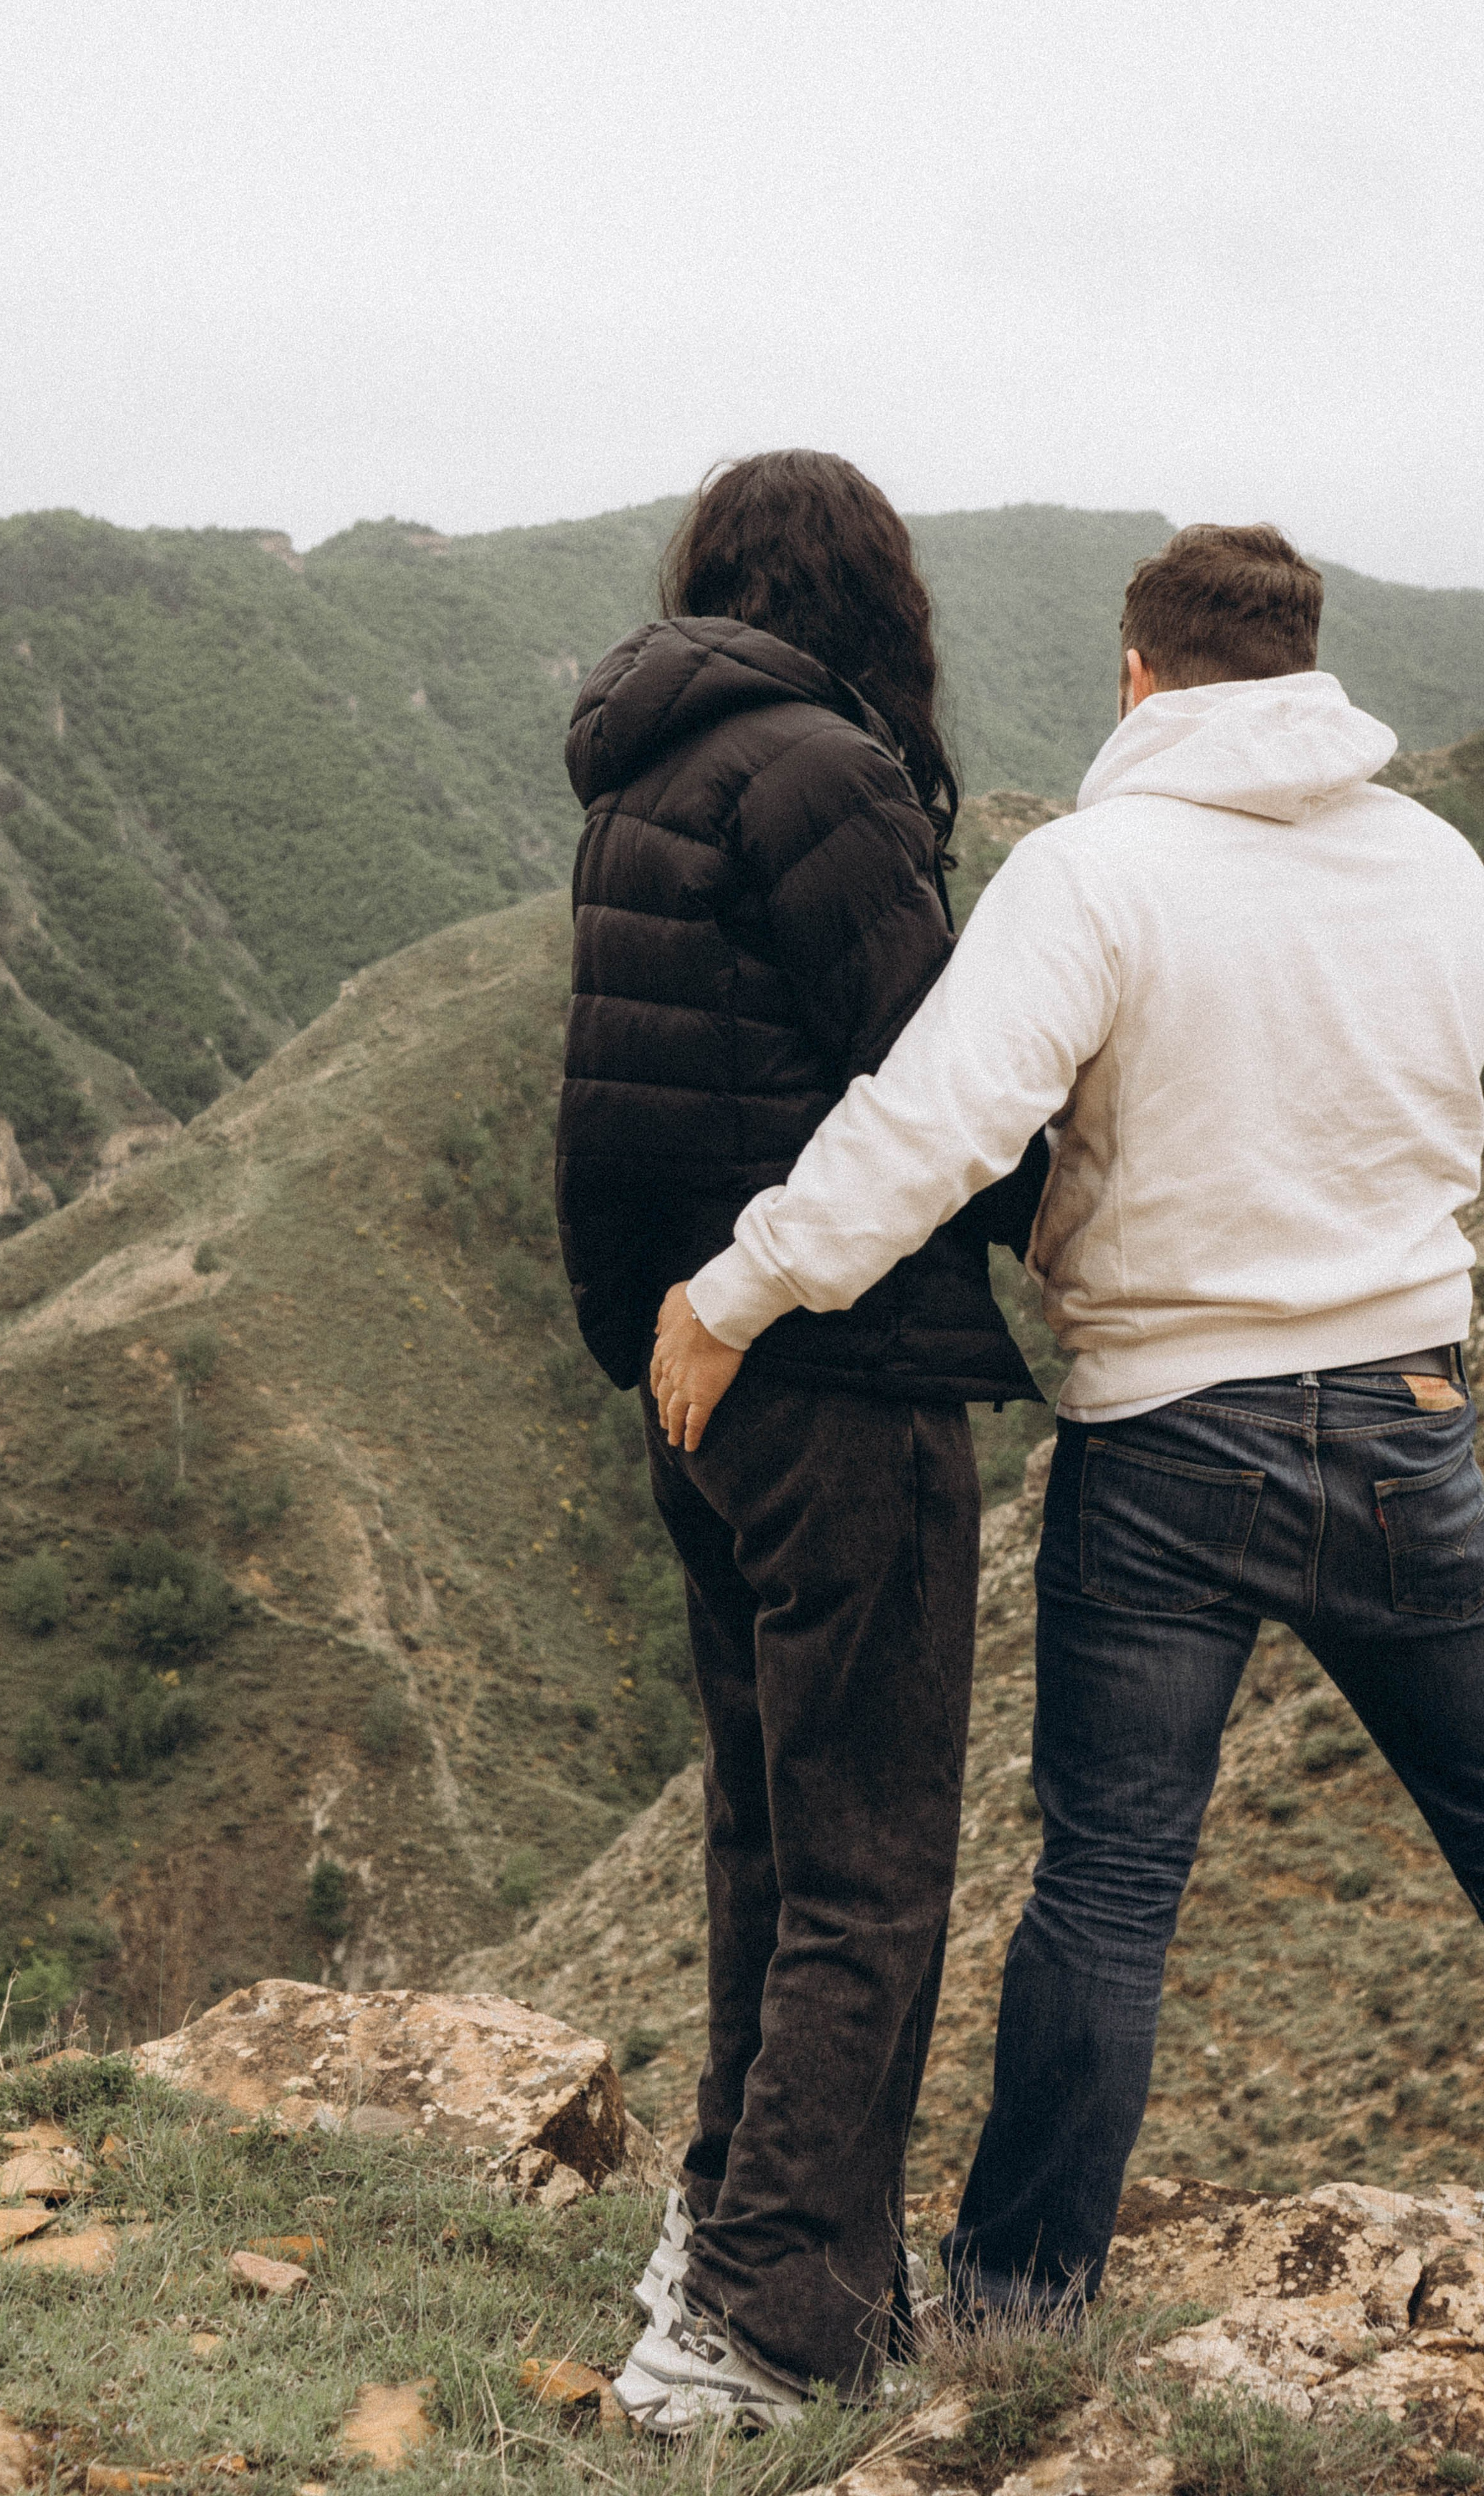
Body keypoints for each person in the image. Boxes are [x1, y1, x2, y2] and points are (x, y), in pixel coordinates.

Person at [653, 521, 1484, 2319]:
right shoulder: (1438, 869)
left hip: (1170, 1441)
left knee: (1108, 1890)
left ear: (1136, 675)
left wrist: (735, 1292)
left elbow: (932, 1126)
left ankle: (1021, 2311)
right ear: (1311, 666)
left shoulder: (1094, 872)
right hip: (1414, 1423)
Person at [556, 451, 1047, 2427]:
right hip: (841, 1373)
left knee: (768, 1843)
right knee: (870, 1866)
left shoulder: (644, 778)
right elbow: (942, 1085)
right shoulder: (827, 776)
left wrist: (662, 1335)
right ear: (879, 601)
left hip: (701, 1384)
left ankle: (723, 2234)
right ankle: (769, 2324)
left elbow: (622, 1115)